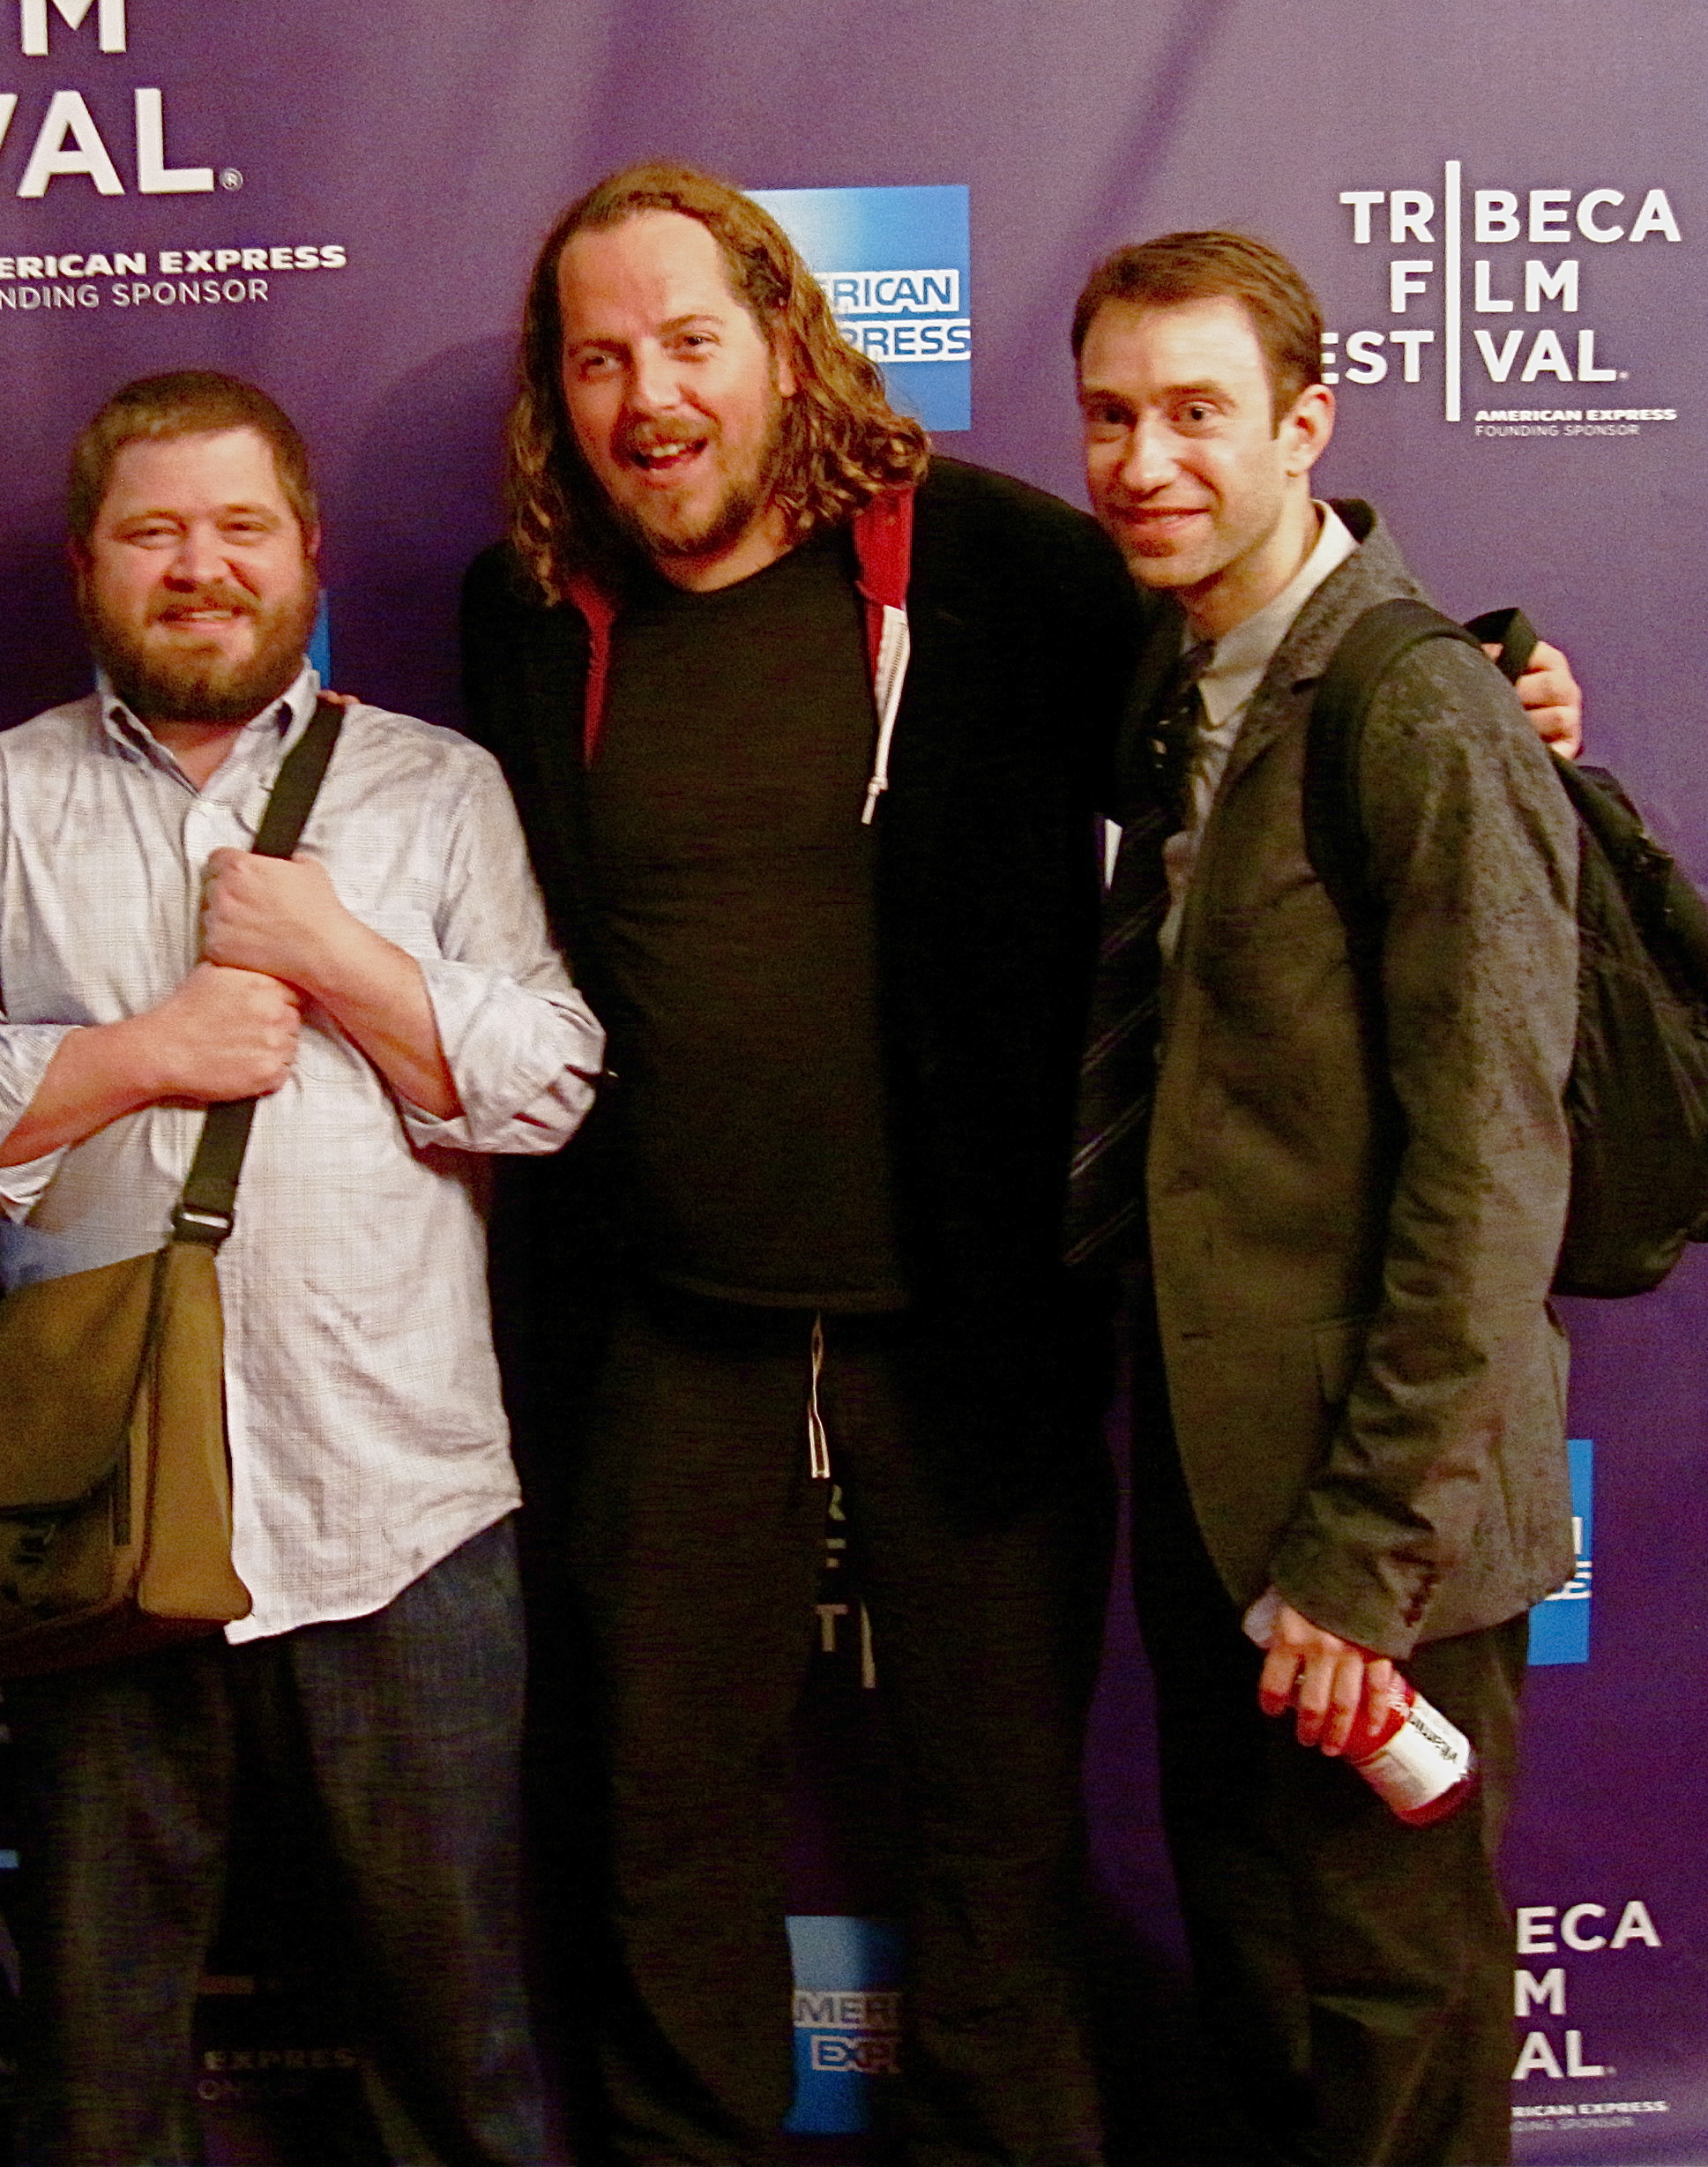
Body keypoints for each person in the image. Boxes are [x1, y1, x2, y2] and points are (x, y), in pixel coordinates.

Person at [457, 161, 1584, 2167]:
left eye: (691, 341)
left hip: (970, 1320)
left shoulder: (995, 568)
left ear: (782, 337)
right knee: (656, 1816)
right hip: (667, 1327)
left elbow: (1266, 713)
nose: (651, 397)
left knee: (999, 1831)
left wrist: (1488, 693)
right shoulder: (529, 610)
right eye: (602, 356)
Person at [0, 370, 604, 2167]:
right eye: (156, 533)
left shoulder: (437, 793)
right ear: (88, 565)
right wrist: (144, 1051)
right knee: (99, 2074)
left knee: (460, 2052)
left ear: (308, 557)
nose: (202, 567)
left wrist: (345, 962)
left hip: (398, 1510)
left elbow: (551, 1083)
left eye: (240, 528)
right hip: (102, 1521)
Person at [1064, 231, 1576, 2167]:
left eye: (1199, 413)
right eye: (1113, 415)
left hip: (1388, 1520)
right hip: (1220, 1490)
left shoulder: (1417, 709)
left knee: (1394, 2029)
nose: (1146, 460)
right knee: (1271, 2006)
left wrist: (1371, 1555)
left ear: (1306, 427)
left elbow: (1491, 1176)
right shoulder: (1186, 676)